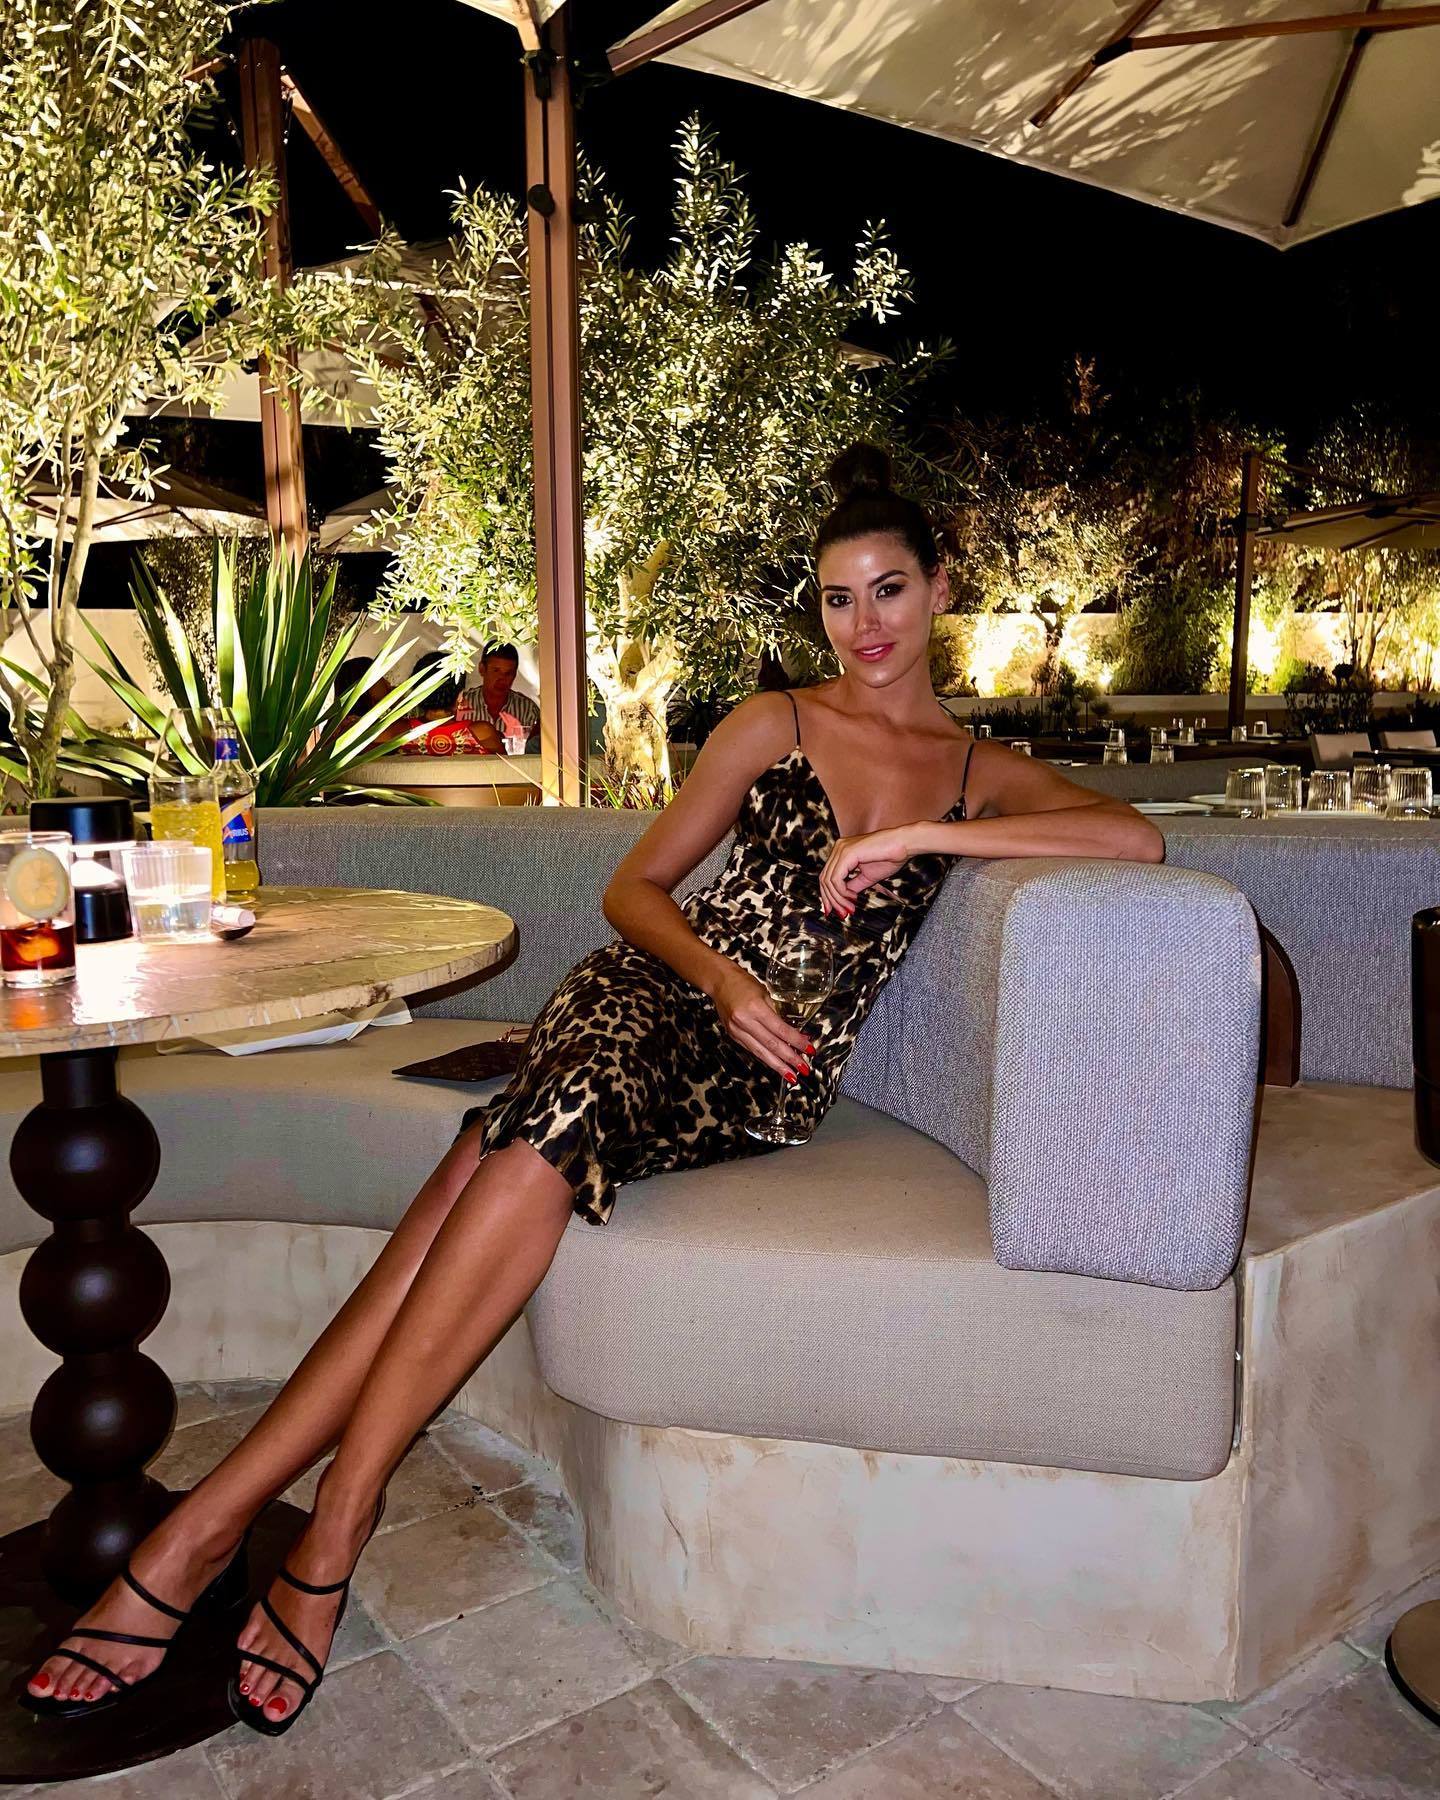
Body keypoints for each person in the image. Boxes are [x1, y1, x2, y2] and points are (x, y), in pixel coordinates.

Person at [22, 443, 1162, 1735]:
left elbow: (1132, 836)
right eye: (840, 600)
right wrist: (722, 981)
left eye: (890, 590)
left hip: (757, 1090)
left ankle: (203, 1531)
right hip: (652, 995)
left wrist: (914, 837)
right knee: (555, 1120)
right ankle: (328, 1528)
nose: (866, 626)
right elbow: (635, 890)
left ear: (940, 588)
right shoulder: (776, 723)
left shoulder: (975, 773)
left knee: (486, 1164)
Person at [461, 643, 540, 752]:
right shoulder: (461, 704)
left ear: (515, 674)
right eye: (496, 671)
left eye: (508, 673)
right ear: (482, 669)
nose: (502, 679)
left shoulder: (528, 710)